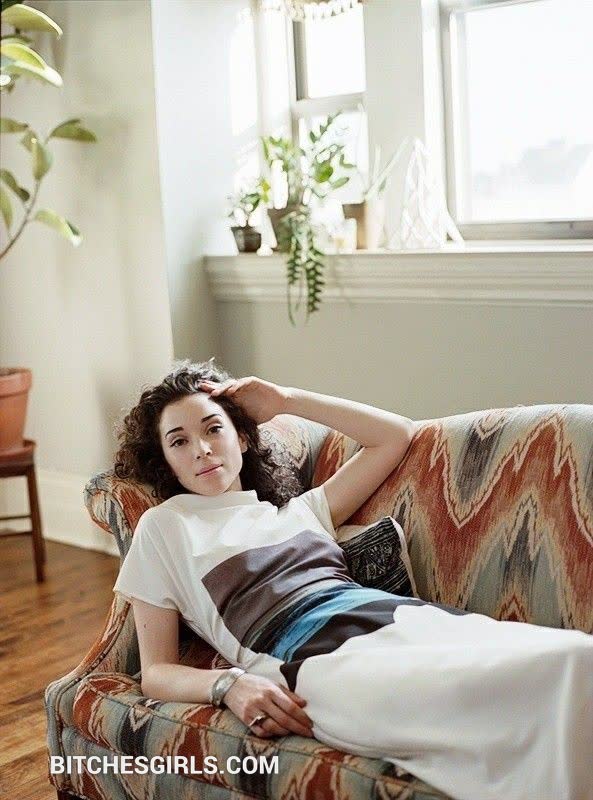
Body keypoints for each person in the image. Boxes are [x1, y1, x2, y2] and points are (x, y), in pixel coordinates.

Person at [112, 360, 593, 800]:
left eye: (213, 428)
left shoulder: (300, 512)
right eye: (179, 441)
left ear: (242, 438)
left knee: (577, 657)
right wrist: (230, 686)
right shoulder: (164, 527)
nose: (201, 449)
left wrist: (285, 399)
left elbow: (395, 434)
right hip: (313, 661)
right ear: (165, 461)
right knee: (526, 687)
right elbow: (155, 672)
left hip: (402, 619)